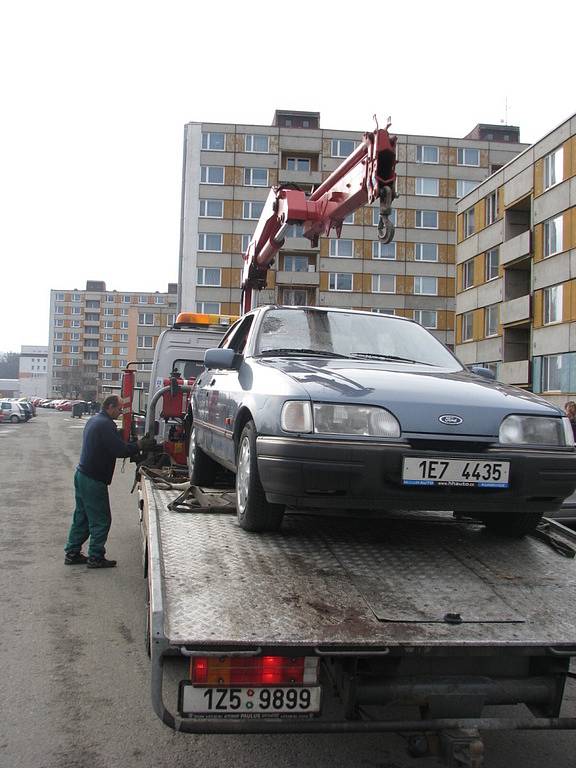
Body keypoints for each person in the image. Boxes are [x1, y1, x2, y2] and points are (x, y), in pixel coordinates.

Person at [64, 395, 143, 568]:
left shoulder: (95, 420)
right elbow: (119, 450)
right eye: (119, 409)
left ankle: (72, 552)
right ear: (110, 406)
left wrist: (120, 437)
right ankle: (96, 557)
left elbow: (110, 444)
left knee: (82, 517)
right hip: (93, 479)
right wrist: (139, 446)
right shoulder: (105, 425)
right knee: (101, 519)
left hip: (82, 475)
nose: (121, 412)